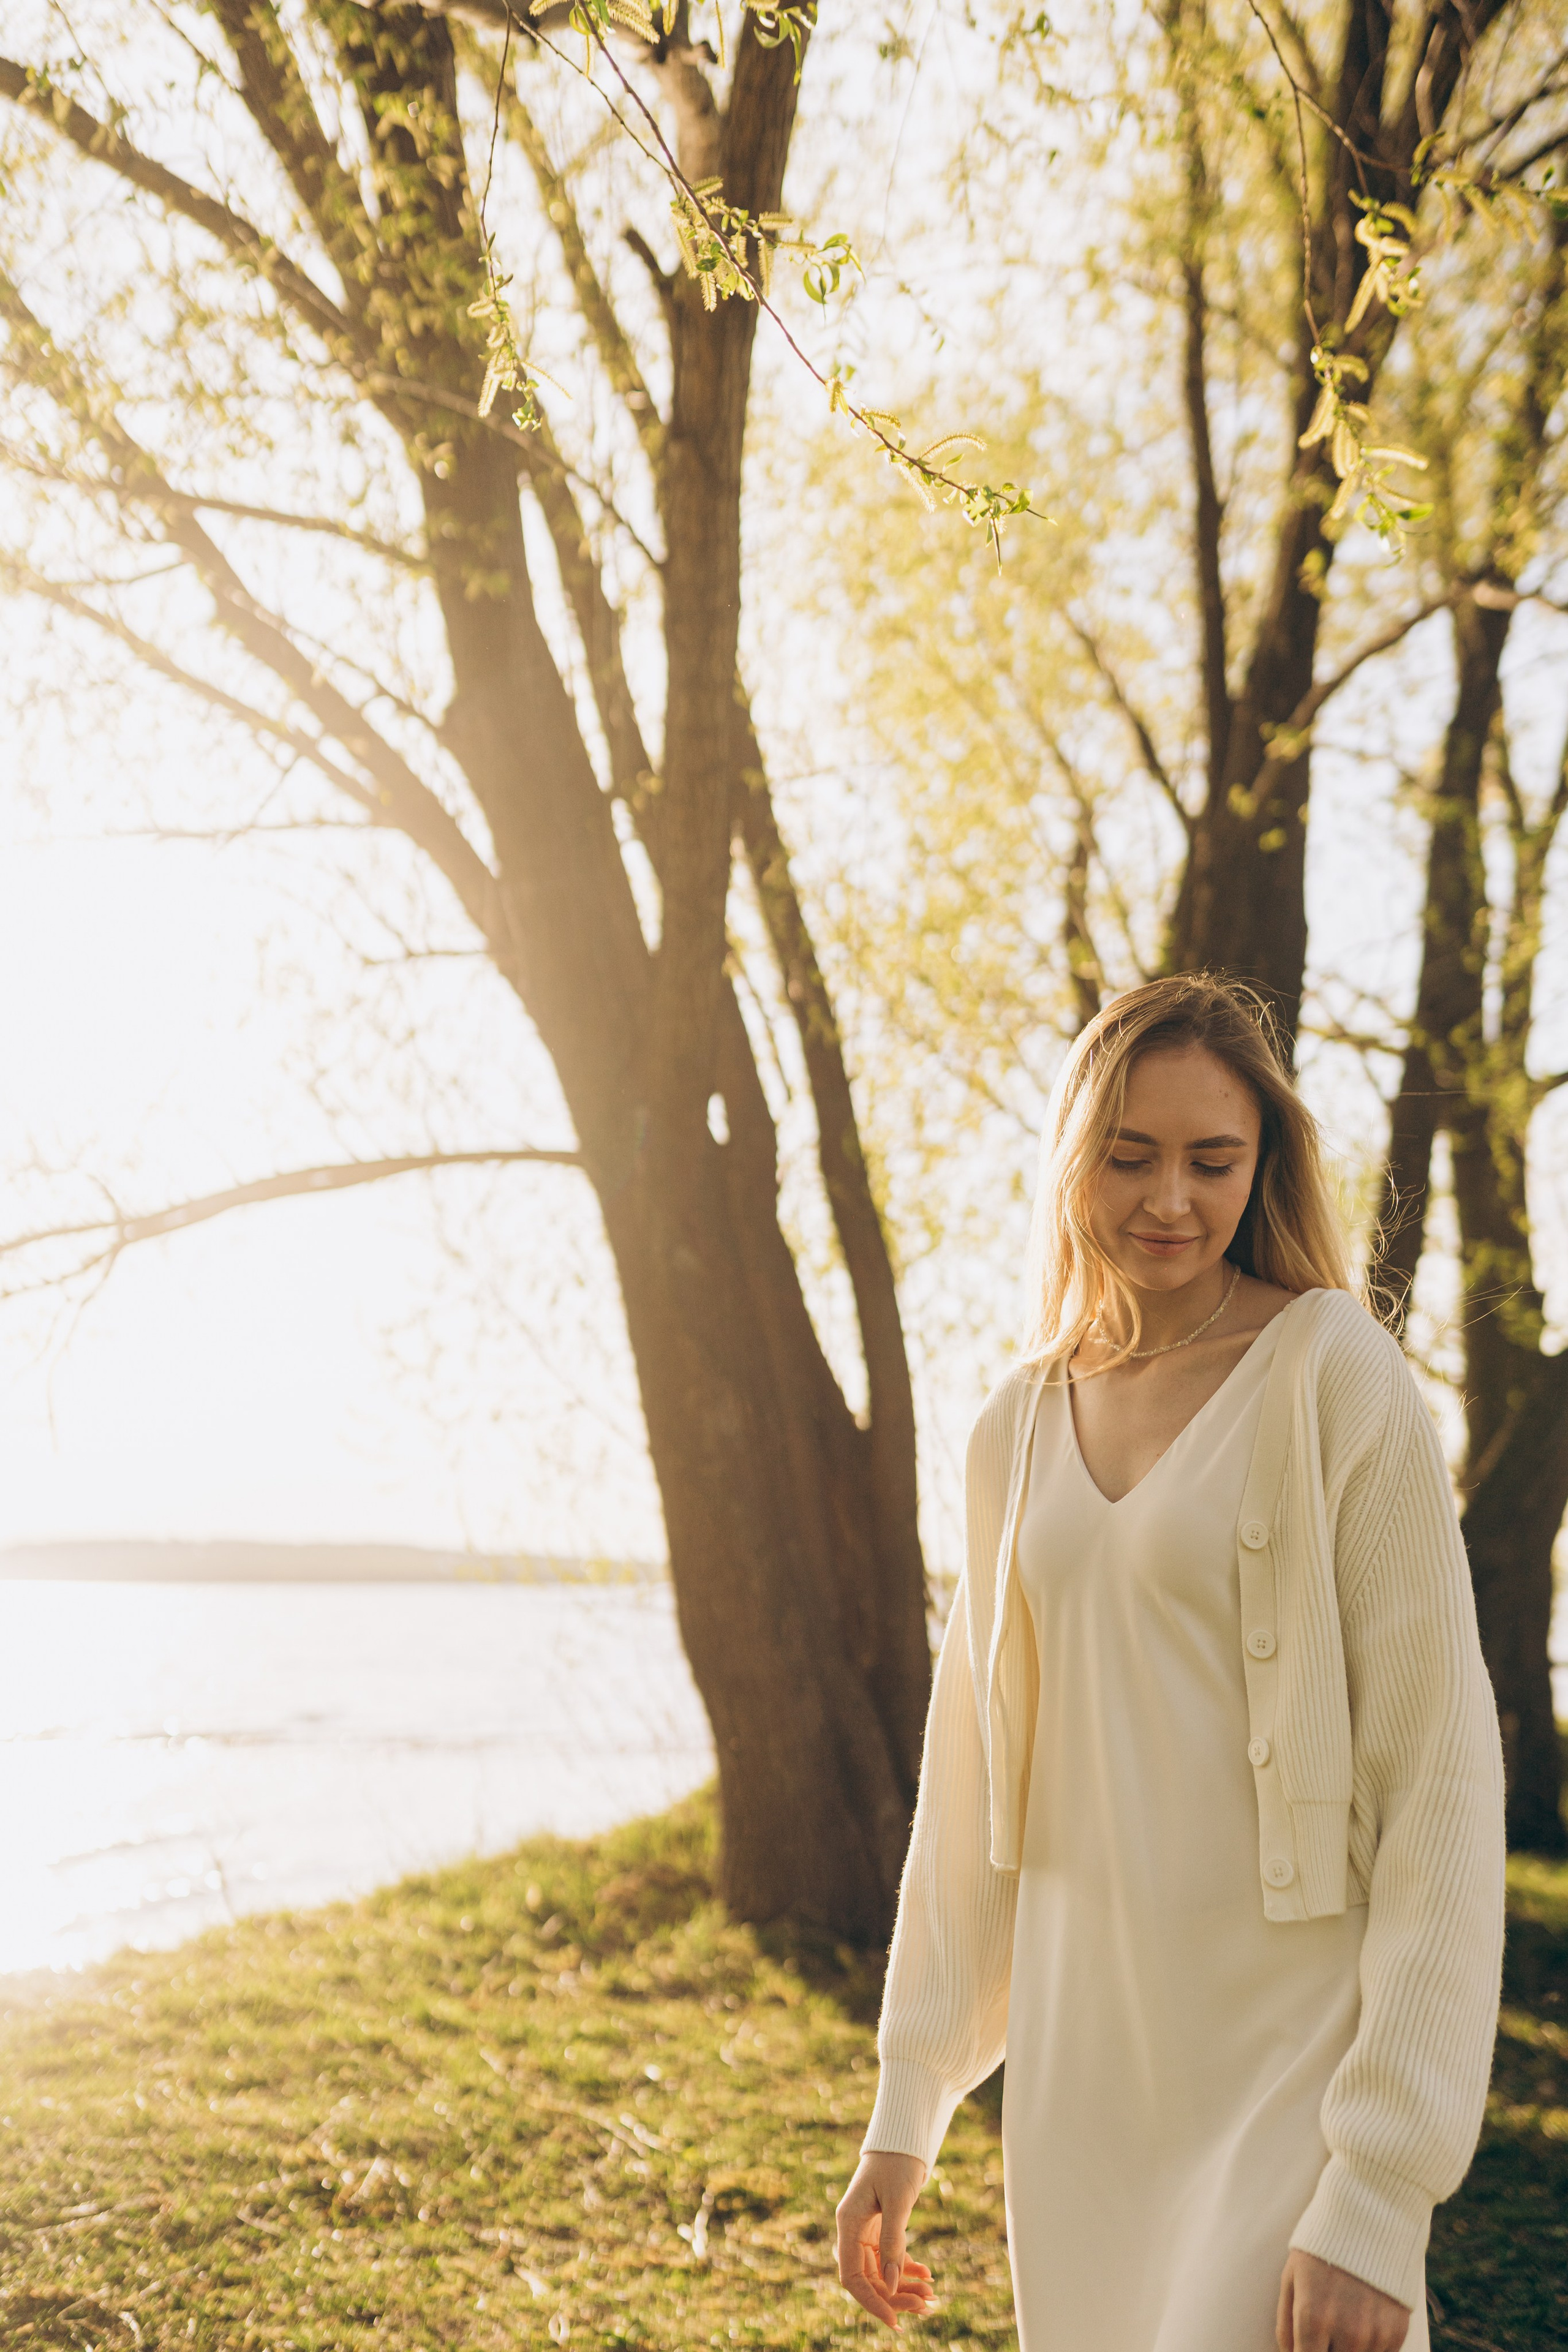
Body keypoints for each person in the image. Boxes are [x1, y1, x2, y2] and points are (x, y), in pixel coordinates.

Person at [835, 976, 1506, 2352]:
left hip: (1287, 2071)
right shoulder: (1011, 1429)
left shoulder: (1335, 1373)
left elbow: (1438, 1784)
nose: (1169, 1201)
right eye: (1127, 1156)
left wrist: (1377, 2187)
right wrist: (907, 2109)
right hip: (1086, 2081)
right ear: (1072, 1158)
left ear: (1264, 1165)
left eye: (1212, 1160)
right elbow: (962, 1800)